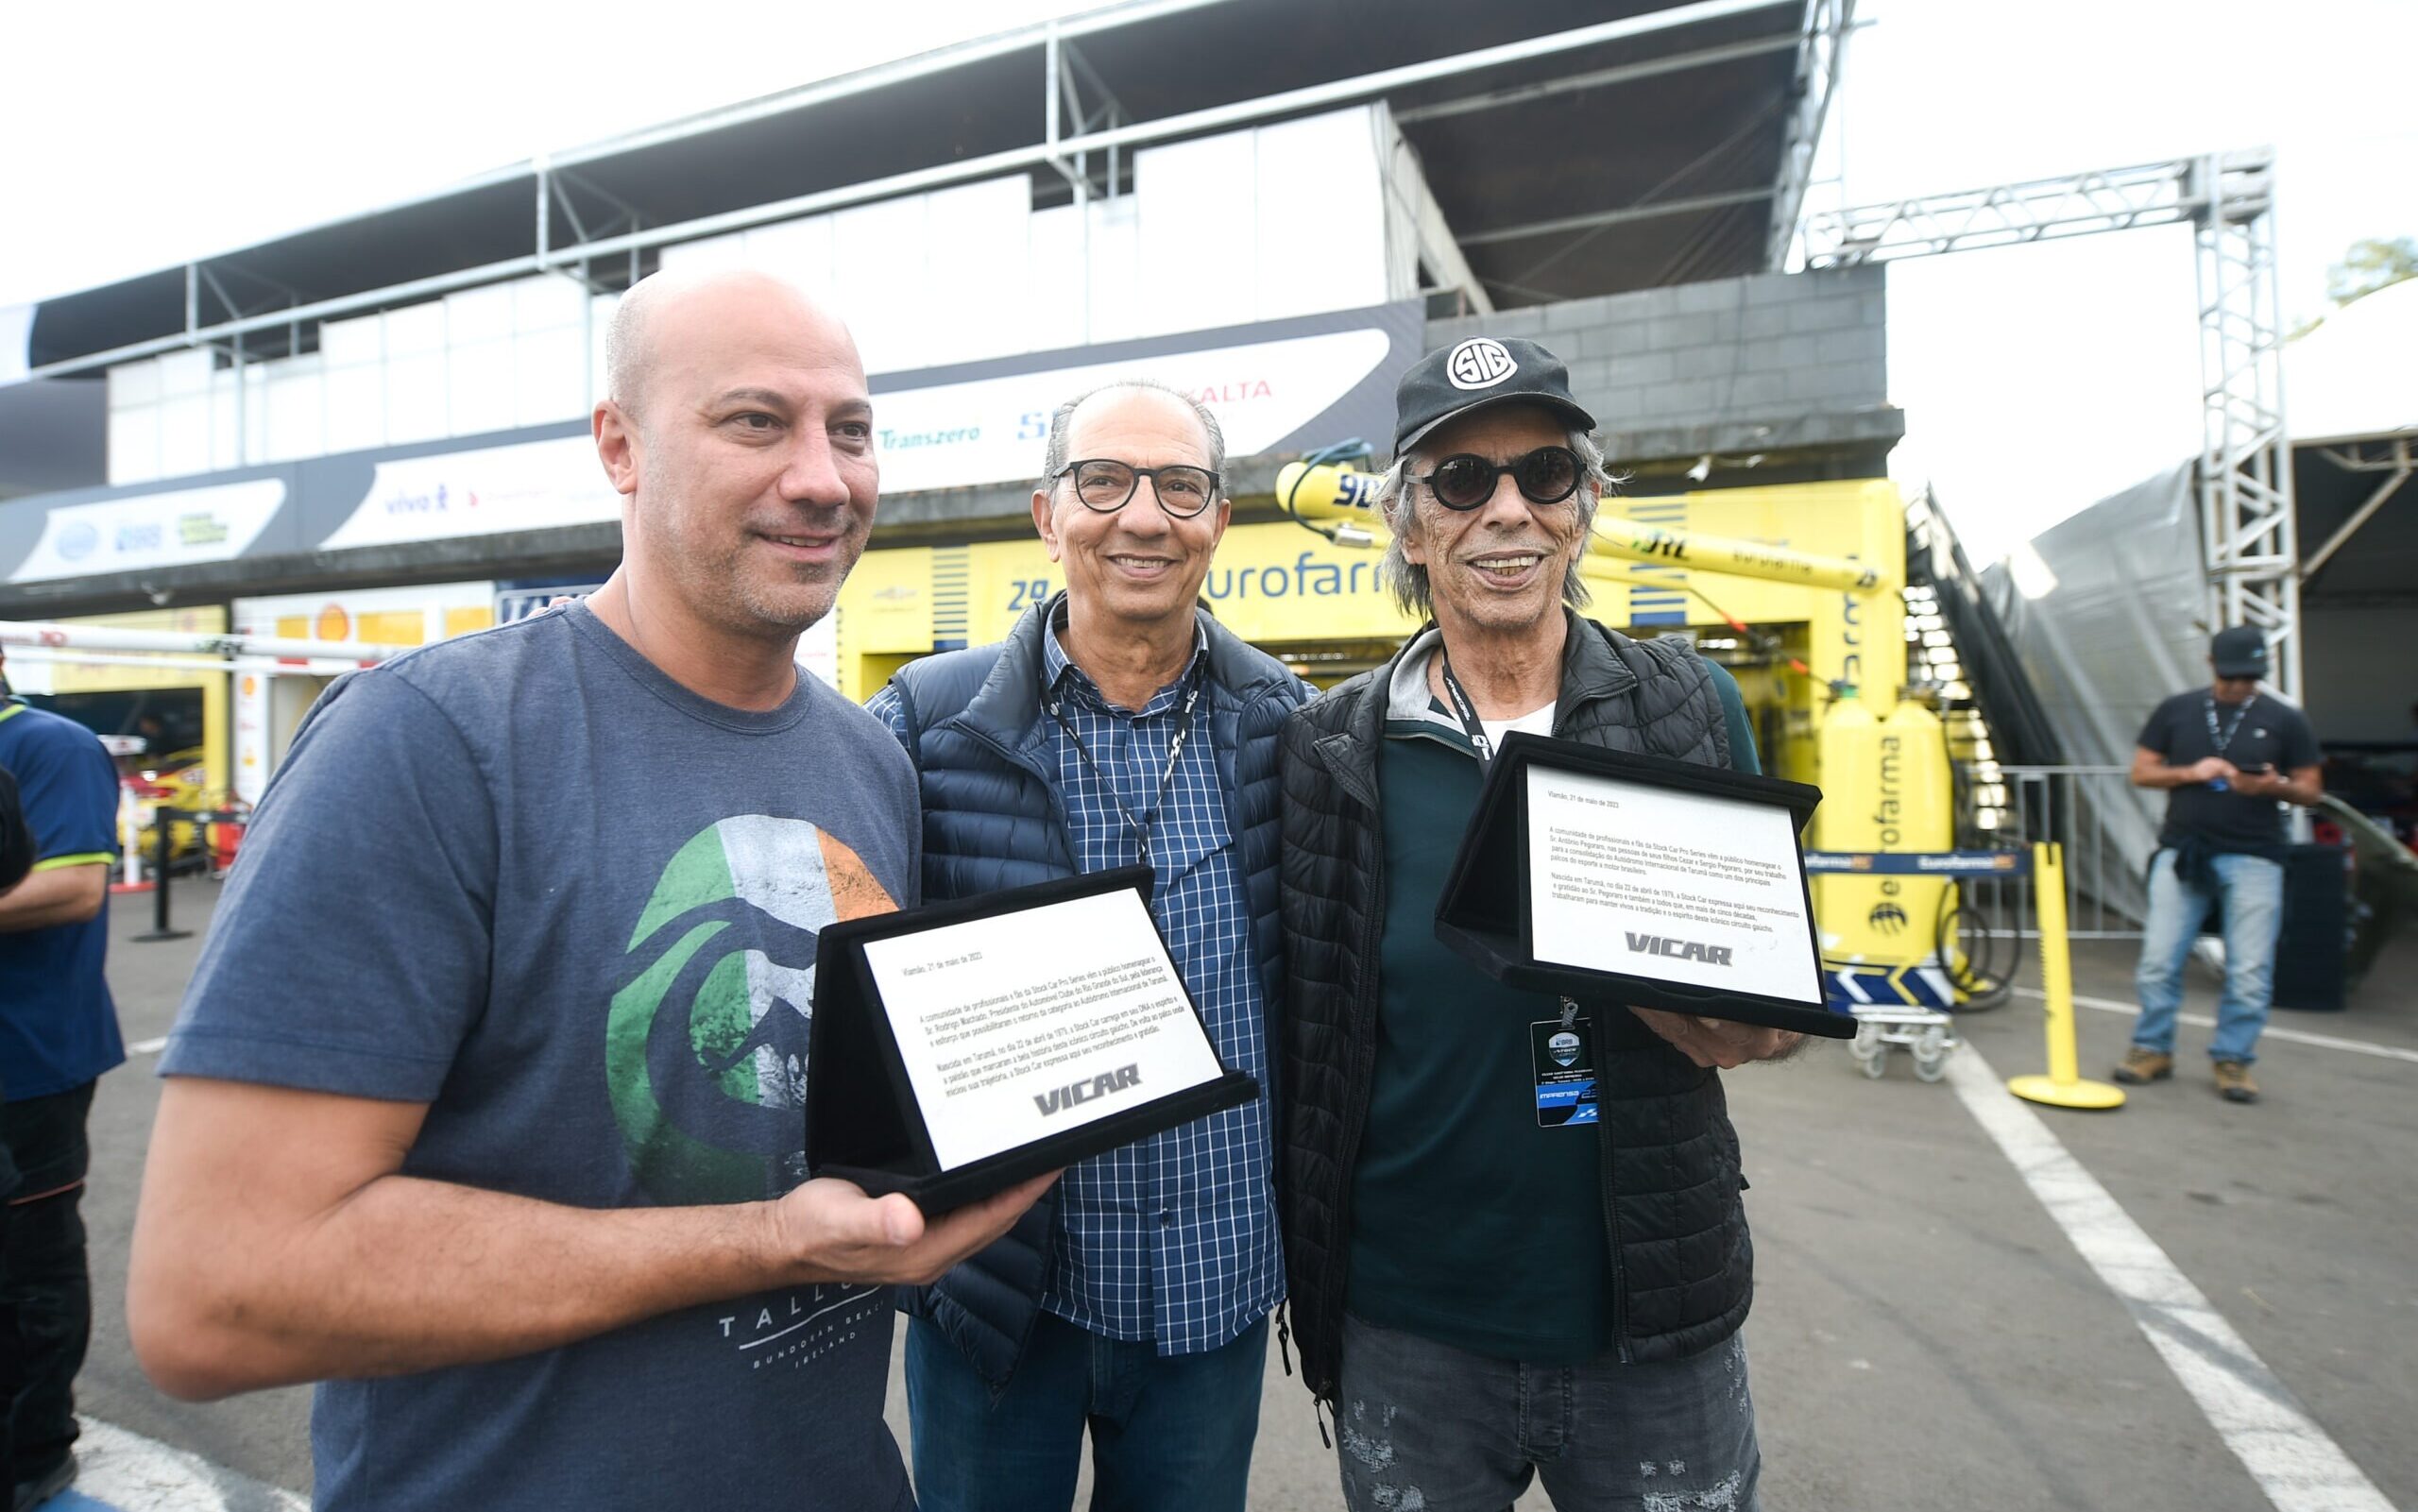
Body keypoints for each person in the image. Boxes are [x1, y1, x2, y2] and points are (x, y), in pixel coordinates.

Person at [128, 269, 1051, 1512]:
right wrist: (771, 1241)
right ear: (619, 445)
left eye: (851, 428)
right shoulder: (429, 743)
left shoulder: (870, 759)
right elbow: (215, 1293)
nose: (825, 477)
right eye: (756, 421)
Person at [1277, 337, 1795, 1511]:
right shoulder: (1330, 748)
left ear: (1585, 505)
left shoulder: (1686, 707)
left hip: (1650, 1309)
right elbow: (1310, 1020)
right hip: (1411, 1320)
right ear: (1410, 528)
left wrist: (1760, 1023)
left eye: (1543, 473)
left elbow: (1774, 977)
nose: (1506, 508)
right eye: (1461, 480)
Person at [868, 380, 1312, 1512]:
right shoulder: (929, 721)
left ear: (1220, 518)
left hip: (1213, 1285)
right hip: (1007, 1288)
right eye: (1104, 481)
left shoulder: (1294, 728)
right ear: (1045, 512)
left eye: (1180, 485)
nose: (1144, 517)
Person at [0, 648, 125, 1512]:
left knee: (28, 1261)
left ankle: (34, 1450)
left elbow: (74, 885)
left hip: (28, 1057)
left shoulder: (50, 744)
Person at [2116, 625, 2323, 1103]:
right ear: (2211, 665)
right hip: (2184, 849)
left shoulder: (2285, 718)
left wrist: (2274, 787)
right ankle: (2152, 1048)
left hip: (2256, 855)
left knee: (2249, 968)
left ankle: (2233, 1059)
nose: (2239, 686)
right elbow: (2141, 772)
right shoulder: (2178, 709)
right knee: (2158, 959)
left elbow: (2312, 788)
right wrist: (2191, 772)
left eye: (2249, 678)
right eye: (2231, 676)